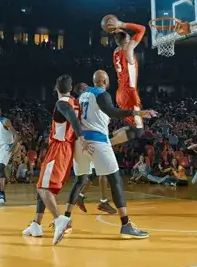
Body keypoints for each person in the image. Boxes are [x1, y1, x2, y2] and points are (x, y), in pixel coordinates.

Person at [62, 70, 156, 239]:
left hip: (80, 142)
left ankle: (65, 221)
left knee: (80, 180)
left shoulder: (82, 96)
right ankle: (126, 225)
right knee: (115, 180)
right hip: (97, 141)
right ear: (105, 81)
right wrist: (136, 113)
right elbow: (111, 111)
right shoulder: (102, 94)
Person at [22, 74, 87, 244]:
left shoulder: (62, 103)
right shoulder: (76, 102)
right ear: (71, 88)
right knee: (42, 187)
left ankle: (60, 220)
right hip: (66, 148)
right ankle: (36, 224)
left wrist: (80, 136)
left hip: (60, 147)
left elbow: (72, 118)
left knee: (44, 188)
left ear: (56, 89)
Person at [70, 82, 118, 215]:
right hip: (91, 139)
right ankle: (102, 202)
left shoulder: (80, 102)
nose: (88, 87)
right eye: (85, 86)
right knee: (105, 173)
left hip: (85, 139)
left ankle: (81, 198)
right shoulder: (89, 99)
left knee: (92, 175)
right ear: (82, 90)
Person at [103, 15, 147, 146]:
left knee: (132, 128)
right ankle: (106, 144)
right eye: (128, 36)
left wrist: (115, 29)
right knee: (138, 132)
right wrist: (121, 24)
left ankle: (108, 137)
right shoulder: (128, 49)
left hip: (120, 93)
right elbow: (142, 29)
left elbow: (120, 38)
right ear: (127, 40)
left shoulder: (116, 51)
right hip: (129, 94)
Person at [0, 106, 19, 204]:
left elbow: (16, 135)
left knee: (0, 168)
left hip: (7, 147)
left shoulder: (5, 121)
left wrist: (13, 146)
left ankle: (1, 196)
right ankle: (0, 193)